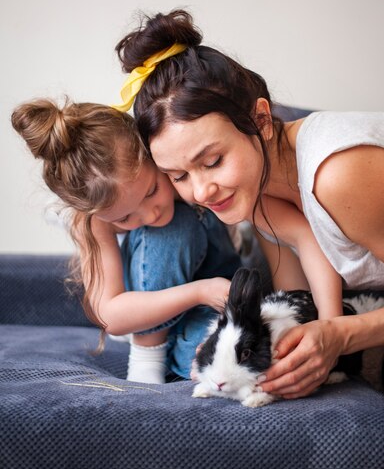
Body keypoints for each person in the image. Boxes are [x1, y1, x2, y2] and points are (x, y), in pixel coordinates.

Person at [112, 9, 384, 415]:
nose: (201, 191)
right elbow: (295, 295)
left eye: (213, 160)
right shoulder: (253, 190)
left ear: (260, 119)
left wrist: (339, 336)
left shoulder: (340, 172)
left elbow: (331, 325)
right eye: (178, 175)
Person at [11, 98, 241, 384]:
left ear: (152, 152)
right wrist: (199, 292)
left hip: (219, 288)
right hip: (155, 307)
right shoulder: (92, 220)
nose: (151, 213)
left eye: (151, 191)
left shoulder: (187, 171)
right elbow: (112, 317)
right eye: (124, 218)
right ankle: (149, 357)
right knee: (172, 228)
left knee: (232, 348)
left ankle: (188, 355)